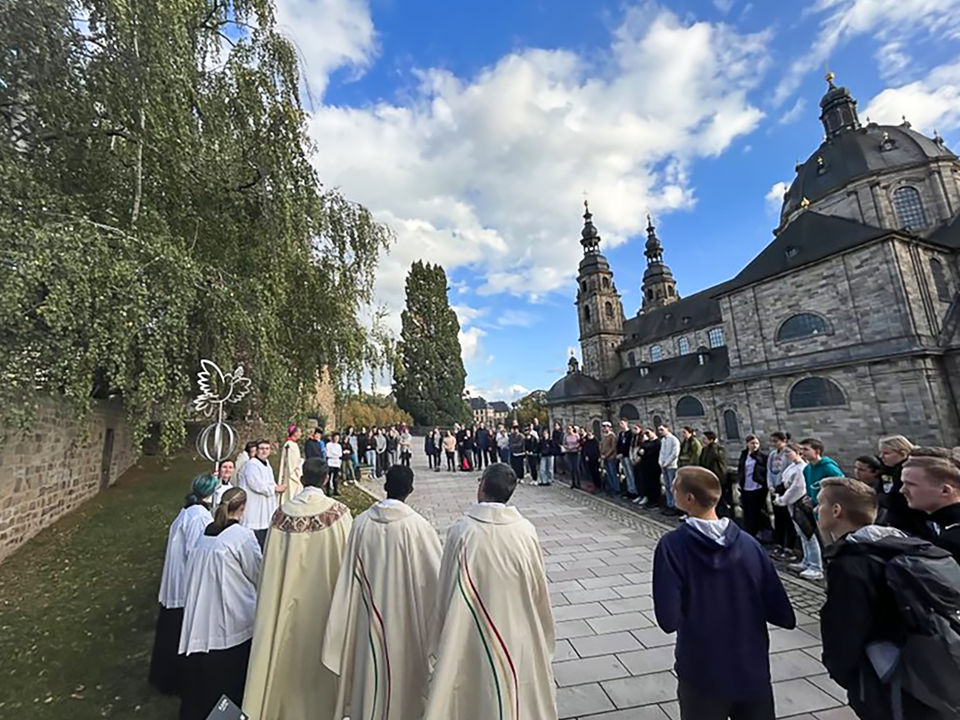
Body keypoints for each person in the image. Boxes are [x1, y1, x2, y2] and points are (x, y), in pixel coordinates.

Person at [653, 467, 795, 720]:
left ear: (688, 499)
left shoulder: (672, 546)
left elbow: (667, 618)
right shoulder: (750, 544)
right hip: (750, 664)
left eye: (675, 486)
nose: (672, 490)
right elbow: (780, 610)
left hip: (702, 667)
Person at [817, 477, 960, 720]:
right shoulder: (902, 543)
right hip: (926, 668)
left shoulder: (851, 562)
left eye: (820, 504)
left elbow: (844, 629)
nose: (816, 509)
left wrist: (842, 673)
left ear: (836, 510)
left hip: (887, 678)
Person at [422, 463, 557, 720]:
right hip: (518, 628)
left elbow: (447, 587)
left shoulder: (462, 532)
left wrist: (438, 632)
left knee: (475, 693)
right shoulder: (526, 531)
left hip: (470, 629)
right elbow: (538, 587)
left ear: (482, 487)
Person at [322, 465, 442, 720]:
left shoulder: (361, 523)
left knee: (371, 676)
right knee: (405, 685)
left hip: (368, 619)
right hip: (407, 621)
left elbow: (349, 576)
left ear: (385, 486)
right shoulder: (418, 527)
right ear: (410, 490)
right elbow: (435, 581)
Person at [243, 459, 352, 720]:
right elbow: (350, 560)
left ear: (302, 478)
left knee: (282, 653)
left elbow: (270, 566)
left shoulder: (281, 515)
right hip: (325, 603)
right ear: (326, 479)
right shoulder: (338, 514)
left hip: (284, 606)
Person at [178, 488, 262, 720]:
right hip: (231, 617)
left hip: (201, 615)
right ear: (243, 509)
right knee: (230, 683)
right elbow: (257, 572)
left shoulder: (205, 535)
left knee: (204, 684)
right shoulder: (242, 537)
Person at [149, 473, 218, 696]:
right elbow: (197, 550)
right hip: (185, 581)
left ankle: (164, 677)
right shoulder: (199, 517)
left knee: (170, 630)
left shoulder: (187, 512)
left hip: (176, 579)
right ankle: (176, 680)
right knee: (179, 632)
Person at [902, 446, 960, 562]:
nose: (902, 490)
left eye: (911, 484)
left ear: (945, 490)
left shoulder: (953, 538)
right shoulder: (938, 525)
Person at [774, 444, 822, 578]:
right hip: (793, 504)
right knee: (802, 534)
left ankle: (815, 565)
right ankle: (807, 561)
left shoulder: (802, 468)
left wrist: (782, 500)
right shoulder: (793, 467)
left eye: (788, 452)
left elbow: (797, 488)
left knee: (808, 534)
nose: (786, 455)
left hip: (799, 503)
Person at [237, 438, 285, 548]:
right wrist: (275, 489)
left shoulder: (266, 464)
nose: (264, 451)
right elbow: (256, 485)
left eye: (267, 449)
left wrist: (276, 487)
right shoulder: (251, 465)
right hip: (254, 512)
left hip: (265, 511)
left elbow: (270, 482)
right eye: (262, 449)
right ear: (256, 450)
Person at [878, 435, 929, 537]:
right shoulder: (887, 470)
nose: (881, 457)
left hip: (913, 520)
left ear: (902, 453)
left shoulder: (907, 470)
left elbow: (898, 498)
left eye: (886, 453)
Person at [767, 432, 796, 559]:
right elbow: (769, 470)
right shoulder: (773, 454)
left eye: (776, 441)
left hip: (785, 489)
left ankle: (789, 547)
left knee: (788, 519)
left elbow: (789, 472)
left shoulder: (788, 454)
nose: (774, 444)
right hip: (774, 489)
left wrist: (782, 486)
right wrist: (770, 486)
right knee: (778, 518)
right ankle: (778, 544)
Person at [736, 435, 770, 538]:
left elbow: (765, 470)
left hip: (758, 487)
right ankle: (750, 533)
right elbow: (741, 468)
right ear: (747, 444)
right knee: (747, 511)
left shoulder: (762, 456)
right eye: (752, 443)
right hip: (746, 486)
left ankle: (763, 533)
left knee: (760, 511)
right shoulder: (744, 455)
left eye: (756, 443)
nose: (754, 445)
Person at [697, 431, 729, 516]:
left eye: (705, 439)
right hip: (708, 477)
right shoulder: (705, 449)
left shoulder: (718, 449)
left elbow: (715, 456)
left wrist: (714, 444)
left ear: (711, 440)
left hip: (718, 477)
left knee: (721, 500)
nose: (703, 441)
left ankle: (723, 515)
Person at [278, 425, 303, 503]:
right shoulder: (290, 445)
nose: (301, 434)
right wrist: (299, 467)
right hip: (291, 475)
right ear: (295, 433)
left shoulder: (291, 444)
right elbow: (292, 464)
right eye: (299, 432)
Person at [658, 424, 680, 514]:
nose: (660, 431)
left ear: (667, 429)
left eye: (662, 429)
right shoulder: (663, 440)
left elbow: (675, 453)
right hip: (664, 465)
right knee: (666, 485)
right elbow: (662, 452)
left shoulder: (674, 439)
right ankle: (669, 504)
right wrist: (661, 462)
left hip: (671, 466)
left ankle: (675, 505)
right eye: (659, 430)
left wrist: (667, 463)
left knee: (672, 486)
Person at [638, 428, 662, 507]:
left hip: (654, 465)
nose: (647, 435)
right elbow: (640, 450)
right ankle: (649, 498)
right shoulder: (646, 442)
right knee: (647, 482)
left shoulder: (657, 442)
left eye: (648, 433)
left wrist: (644, 452)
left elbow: (654, 452)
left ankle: (655, 501)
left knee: (654, 483)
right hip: (645, 465)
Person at [616, 419, 638, 498]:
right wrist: (618, 453)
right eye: (620, 423)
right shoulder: (621, 434)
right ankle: (630, 489)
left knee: (631, 473)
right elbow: (619, 444)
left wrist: (623, 453)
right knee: (626, 474)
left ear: (626, 423)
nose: (620, 425)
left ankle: (634, 491)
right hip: (622, 456)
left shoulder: (630, 434)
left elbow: (629, 445)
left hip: (627, 456)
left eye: (622, 423)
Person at [562, 424, 582, 489]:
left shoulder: (576, 435)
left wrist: (574, 447)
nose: (569, 430)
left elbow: (579, 443)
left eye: (570, 429)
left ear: (573, 429)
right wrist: (567, 447)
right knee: (571, 468)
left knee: (576, 468)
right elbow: (564, 443)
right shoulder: (566, 436)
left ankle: (578, 483)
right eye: (568, 429)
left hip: (576, 452)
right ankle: (573, 483)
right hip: (569, 452)